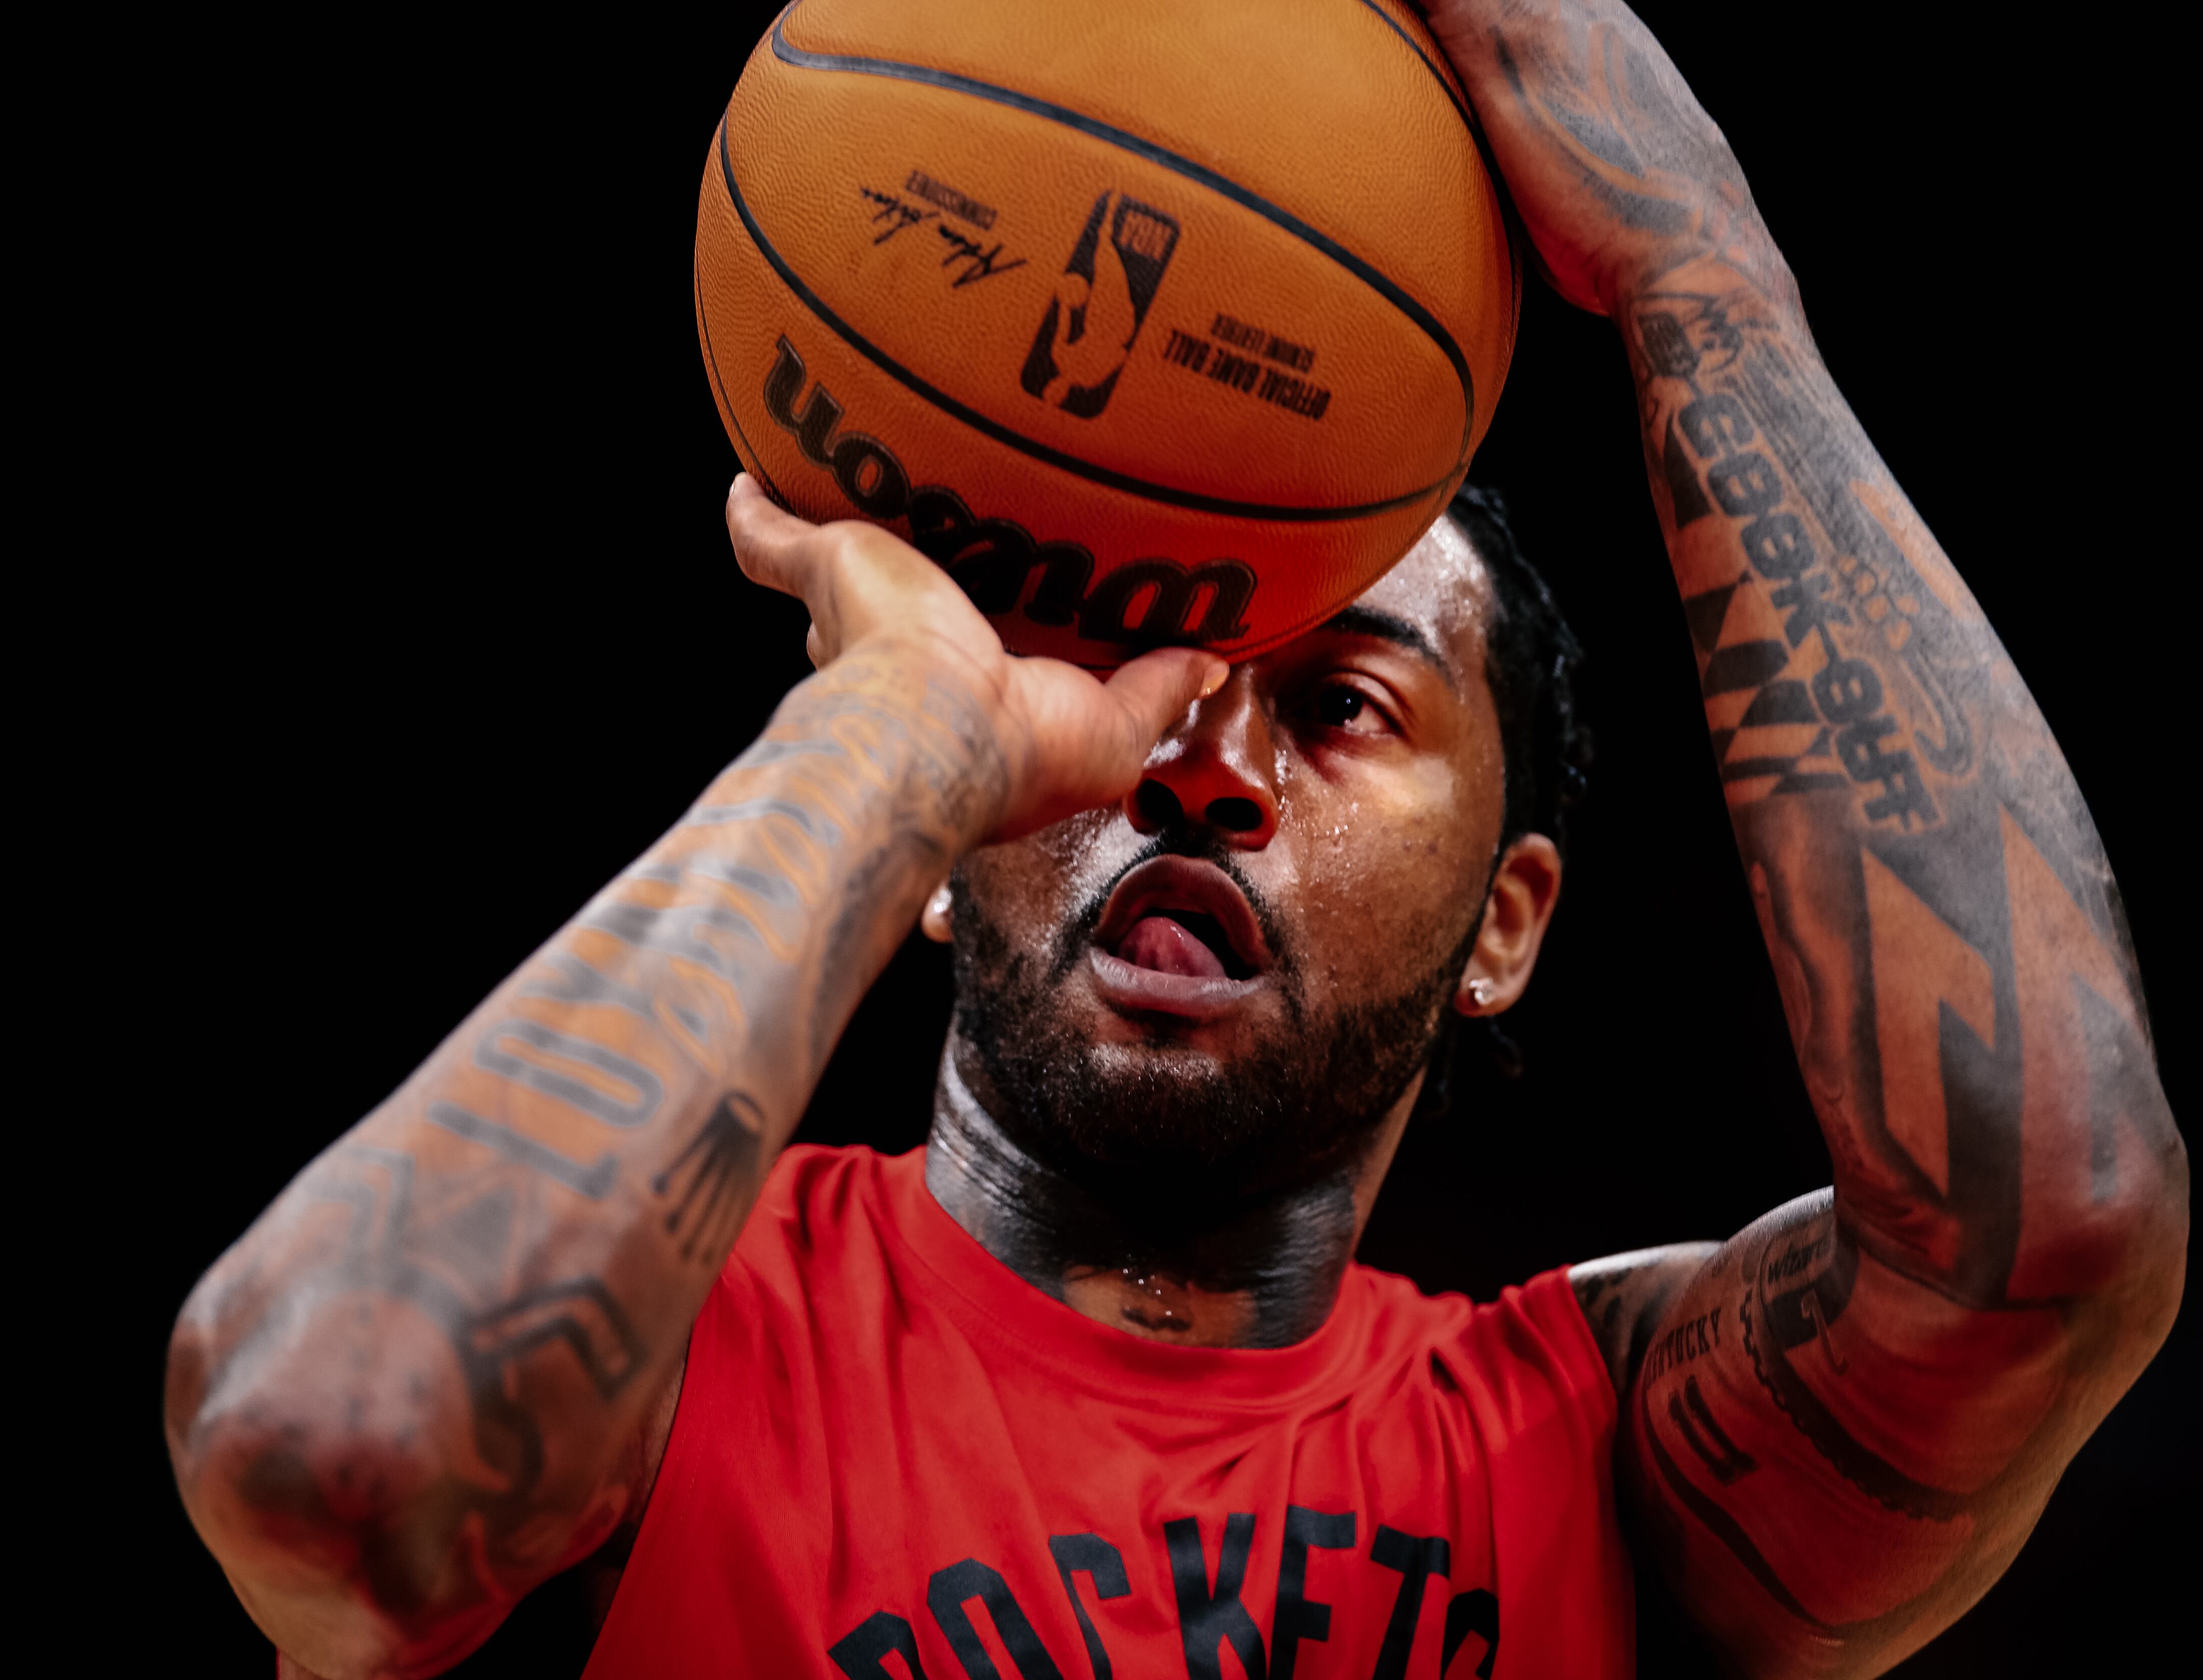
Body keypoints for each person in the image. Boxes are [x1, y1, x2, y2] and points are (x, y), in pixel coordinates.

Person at [163, 3, 2185, 1675]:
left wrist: (1701, 279)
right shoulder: (661, 1349)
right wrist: (896, 729)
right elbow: (327, 1441)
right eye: (1136, 677)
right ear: (938, 849)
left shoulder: (1595, 1463)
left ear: (1506, 924)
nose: (1201, 765)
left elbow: (2044, 1232)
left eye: (1338, 704)